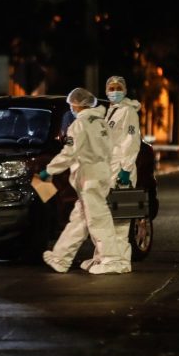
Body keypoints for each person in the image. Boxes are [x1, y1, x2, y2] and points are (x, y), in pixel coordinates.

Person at [39, 87, 127, 274]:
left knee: (98, 220)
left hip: (89, 177)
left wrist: (49, 170)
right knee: (80, 220)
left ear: (77, 105)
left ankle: (112, 260)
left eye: (72, 105)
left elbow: (70, 153)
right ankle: (60, 258)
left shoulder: (79, 125)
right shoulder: (101, 123)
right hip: (101, 174)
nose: (71, 108)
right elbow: (112, 148)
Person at [80, 75, 141, 273]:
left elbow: (131, 141)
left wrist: (126, 168)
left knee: (120, 218)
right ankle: (103, 257)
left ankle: (120, 261)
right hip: (109, 169)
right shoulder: (112, 112)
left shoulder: (128, 112)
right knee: (106, 216)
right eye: (111, 88)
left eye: (118, 87)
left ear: (124, 90)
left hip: (121, 170)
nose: (114, 91)